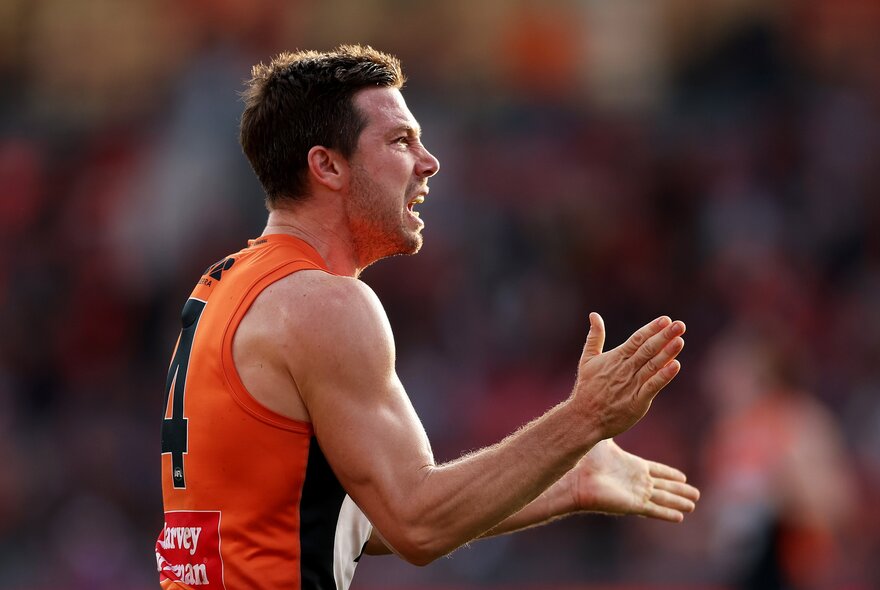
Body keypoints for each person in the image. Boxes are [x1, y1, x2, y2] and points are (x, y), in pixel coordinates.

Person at [155, 44, 699, 590]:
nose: (428, 161)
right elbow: (417, 521)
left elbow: (359, 519)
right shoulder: (324, 303)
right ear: (326, 165)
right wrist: (585, 418)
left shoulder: (224, 288)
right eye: (400, 140)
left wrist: (568, 477)